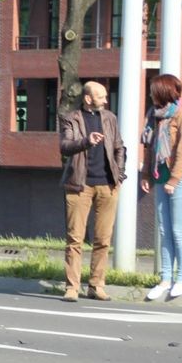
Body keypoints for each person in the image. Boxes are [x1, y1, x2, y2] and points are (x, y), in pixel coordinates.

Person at [58, 80, 126, 302]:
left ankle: (96, 285)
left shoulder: (109, 118)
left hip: (108, 185)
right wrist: (86, 141)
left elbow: (119, 147)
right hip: (80, 186)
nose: (106, 100)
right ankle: (72, 287)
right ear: (88, 99)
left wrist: (120, 174)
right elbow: (65, 146)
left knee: (103, 239)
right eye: (102, 97)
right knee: (75, 239)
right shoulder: (71, 118)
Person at [141, 74, 182, 300]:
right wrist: (146, 174)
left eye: (153, 90)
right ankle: (165, 279)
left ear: (163, 92)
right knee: (164, 231)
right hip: (160, 178)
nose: (150, 94)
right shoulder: (152, 117)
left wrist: (174, 180)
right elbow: (149, 147)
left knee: (178, 230)